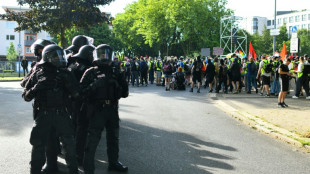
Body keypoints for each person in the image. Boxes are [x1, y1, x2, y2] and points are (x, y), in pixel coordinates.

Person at [22, 44, 80, 174]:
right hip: (43, 114)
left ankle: (73, 171)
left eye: (60, 56)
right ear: (48, 57)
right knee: (38, 146)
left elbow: (77, 95)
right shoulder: (38, 73)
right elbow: (26, 96)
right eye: (56, 56)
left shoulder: (65, 73)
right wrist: (37, 87)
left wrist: (67, 84)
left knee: (69, 146)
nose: (59, 58)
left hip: (61, 113)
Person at [80, 44, 129, 174]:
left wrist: (118, 83)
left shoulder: (116, 72)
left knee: (113, 138)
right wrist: (95, 85)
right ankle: (88, 168)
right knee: (93, 140)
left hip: (112, 109)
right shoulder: (90, 72)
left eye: (106, 54)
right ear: (96, 55)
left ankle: (113, 162)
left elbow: (125, 93)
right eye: (101, 54)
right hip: (97, 110)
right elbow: (81, 93)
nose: (104, 57)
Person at [67, 45, 95, 165]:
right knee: (82, 129)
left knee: (74, 127)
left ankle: (72, 154)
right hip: (82, 102)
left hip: (72, 102)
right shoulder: (86, 68)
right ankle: (78, 156)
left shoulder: (72, 65)